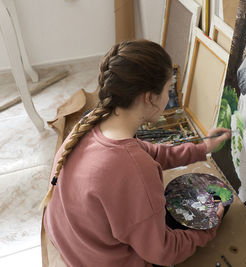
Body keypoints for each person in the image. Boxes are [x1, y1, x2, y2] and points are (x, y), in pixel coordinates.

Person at [41, 40, 231, 267]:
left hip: (76, 245)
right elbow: (163, 252)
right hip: (101, 260)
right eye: (168, 89)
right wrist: (209, 227)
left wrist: (203, 149)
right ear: (149, 97)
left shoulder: (94, 123)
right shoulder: (134, 169)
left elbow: (152, 152)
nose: (167, 97)